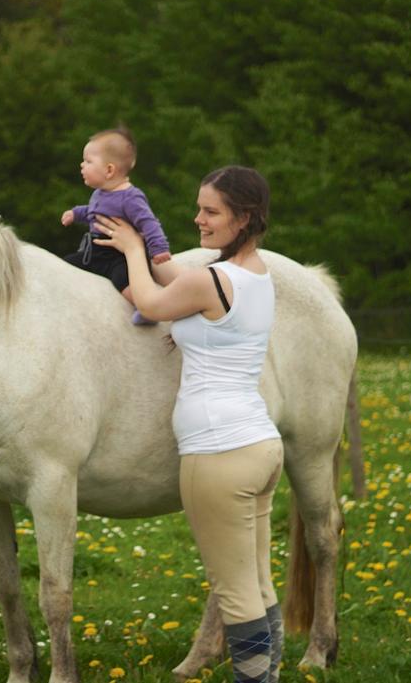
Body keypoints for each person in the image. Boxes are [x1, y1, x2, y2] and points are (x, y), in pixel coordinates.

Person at [94, 166, 283, 683]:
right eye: (199, 207)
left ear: (243, 218)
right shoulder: (256, 273)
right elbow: (183, 292)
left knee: (236, 592)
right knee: (259, 584)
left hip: (218, 453)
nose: (198, 220)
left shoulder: (211, 279)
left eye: (211, 211)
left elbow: (153, 302)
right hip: (259, 444)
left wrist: (132, 246)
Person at [61, 128, 171, 324]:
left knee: (123, 281)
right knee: (64, 265)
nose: (82, 165)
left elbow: (149, 223)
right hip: (94, 252)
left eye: (88, 161)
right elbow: (93, 212)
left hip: (119, 256)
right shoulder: (101, 192)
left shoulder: (130, 197)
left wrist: (159, 248)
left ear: (109, 170)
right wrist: (75, 213)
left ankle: (146, 308)